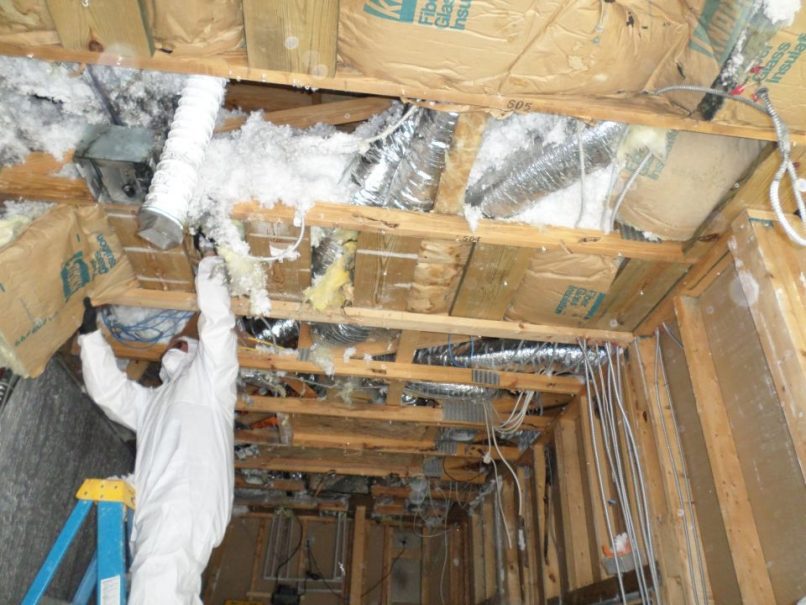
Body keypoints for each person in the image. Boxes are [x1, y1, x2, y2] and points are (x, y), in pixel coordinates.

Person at [78, 248, 238, 604]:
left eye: (182, 343)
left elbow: (218, 330)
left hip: (174, 505)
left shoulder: (209, 384)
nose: (176, 344)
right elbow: (110, 393)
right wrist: (90, 339)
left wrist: (90, 338)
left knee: (160, 582)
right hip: (182, 504)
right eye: (178, 343)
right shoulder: (173, 396)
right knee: (163, 584)